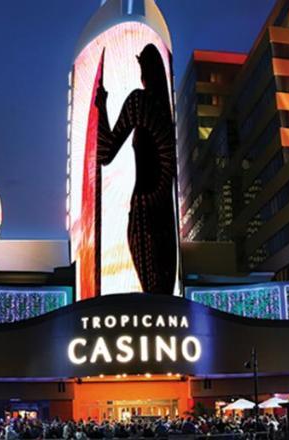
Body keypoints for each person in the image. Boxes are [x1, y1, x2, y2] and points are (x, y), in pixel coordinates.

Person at [93, 43, 178, 296]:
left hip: (144, 209)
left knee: (153, 294)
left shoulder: (140, 102)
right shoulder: (166, 116)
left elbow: (105, 153)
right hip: (163, 216)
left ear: (145, 71)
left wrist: (102, 106)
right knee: (161, 296)